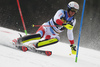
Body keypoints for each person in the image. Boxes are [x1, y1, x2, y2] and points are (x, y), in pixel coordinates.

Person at [12, 1, 79, 55]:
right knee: (39, 36)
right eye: (72, 10)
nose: (73, 12)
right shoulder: (61, 12)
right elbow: (56, 19)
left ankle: (34, 45)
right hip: (47, 28)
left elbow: (70, 32)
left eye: (75, 11)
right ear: (69, 9)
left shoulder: (73, 21)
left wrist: (72, 45)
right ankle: (18, 40)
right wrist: (64, 24)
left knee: (57, 39)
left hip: (53, 34)